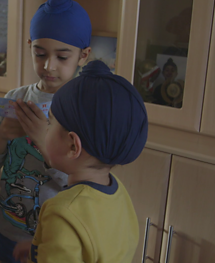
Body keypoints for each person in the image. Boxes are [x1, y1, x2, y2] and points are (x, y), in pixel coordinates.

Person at [0, 0, 92, 262]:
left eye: (62, 57)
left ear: (83, 56)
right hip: (10, 228)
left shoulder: (83, 110)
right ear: (29, 45)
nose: (48, 65)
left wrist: (45, 142)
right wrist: (0, 138)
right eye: (39, 53)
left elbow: (85, 185)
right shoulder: (16, 97)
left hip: (55, 237)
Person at [12, 60, 148, 262]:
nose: (46, 129)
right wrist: (38, 251)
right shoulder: (118, 192)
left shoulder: (62, 212)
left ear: (73, 146)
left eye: (50, 122)